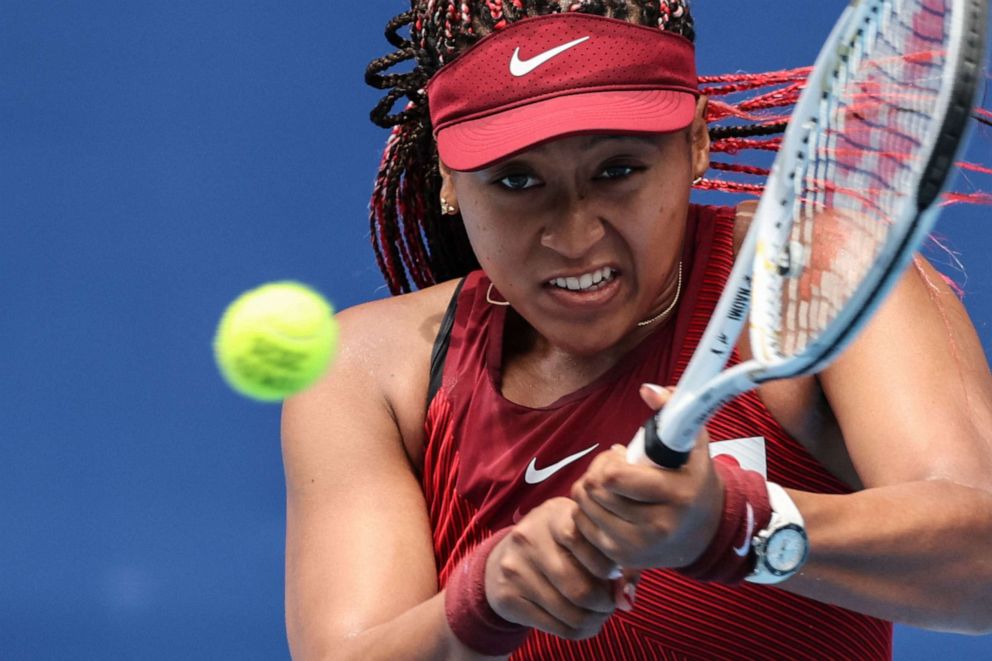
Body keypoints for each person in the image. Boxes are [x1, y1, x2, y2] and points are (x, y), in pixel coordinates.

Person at [281, 2, 992, 659]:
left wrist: (738, 525)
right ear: (446, 174)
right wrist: (483, 596)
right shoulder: (369, 370)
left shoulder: (823, 278)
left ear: (697, 141)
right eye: (517, 182)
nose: (574, 234)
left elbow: (981, 560)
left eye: (617, 169)